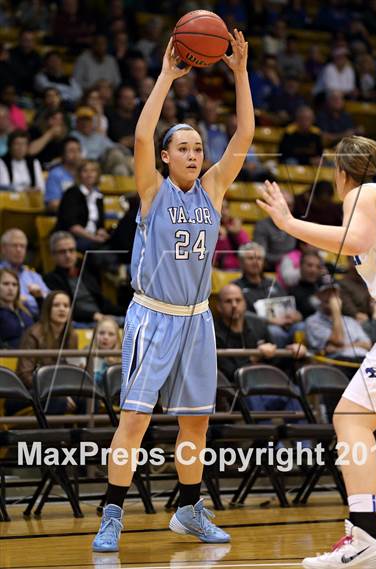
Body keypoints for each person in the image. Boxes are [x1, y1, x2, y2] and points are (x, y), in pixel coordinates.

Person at [92, 30, 254, 552]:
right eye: (182, 148)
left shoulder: (212, 190)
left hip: (197, 320)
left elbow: (244, 136)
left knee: (196, 427)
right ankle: (112, 512)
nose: (192, 154)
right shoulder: (152, 191)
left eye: (197, 148)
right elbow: (140, 137)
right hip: (153, 317)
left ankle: (188, 510)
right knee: (135, 421)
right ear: (165, 158)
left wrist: (240, 74)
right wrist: (166, 75)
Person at [257, 135, 376, 568]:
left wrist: (289, 224)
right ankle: (363, 536)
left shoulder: (364, 193)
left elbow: (354, 241)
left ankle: (365, 539)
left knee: (351, 417)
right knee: (358, 418)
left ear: (342, 172)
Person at [15, 290, 81, 415]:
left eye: (66, 306)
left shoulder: (72, 336)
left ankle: (81, 434)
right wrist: (55, 391)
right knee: (57, 400)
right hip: (28, 392)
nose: (62, 309)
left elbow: (73, 369)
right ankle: (53, 435)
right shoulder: (34, 333)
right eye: (56, 305)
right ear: (47, 309)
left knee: (87, 398)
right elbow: (25, 374)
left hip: (59, 391)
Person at [44, 231, 125, 324]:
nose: (68, 255)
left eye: (71, 250)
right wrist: (93, 315)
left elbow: (102, 302)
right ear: (53, 256)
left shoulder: (86, 273)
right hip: (78, 323)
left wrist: (125, 311)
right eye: (62, 252)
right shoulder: (50, 279)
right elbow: (66, 310)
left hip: (101, 319)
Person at [305, 278, 372, 360]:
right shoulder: (313, 322)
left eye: (334, 292)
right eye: (326, 292)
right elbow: (339, 340)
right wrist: (336, 311)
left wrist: (341, 348)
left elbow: (367, 344)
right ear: (318, 296)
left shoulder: (349, 320)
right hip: (339, 364)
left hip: (363, 360)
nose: (331, 296)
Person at [53, 159, 109, 251]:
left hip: (91, 237)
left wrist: (102, 233)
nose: (89, 174)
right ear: (79, 174)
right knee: (99, 248)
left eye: (93, 171)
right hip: (71, 238)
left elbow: (100, 225)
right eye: (85, 171)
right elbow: (72, 226)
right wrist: (93, 238)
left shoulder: (98, 196)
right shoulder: (71, 193)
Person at [0, 228, 49, 318]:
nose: (19, 250)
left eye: (22, 246)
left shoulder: (34, 276)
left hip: (37, 320)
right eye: (14, 246)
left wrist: (40, 296)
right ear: (3, 248)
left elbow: (50, 301)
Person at [44, 137, 82, 213]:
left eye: (78, 150)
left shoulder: (84, 173)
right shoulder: (55, 174)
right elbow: (53, 204)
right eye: (71, 151)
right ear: (63, 154)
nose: (76, 154)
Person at [0, 268, 33, 348]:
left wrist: (39, 299)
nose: (11, 288)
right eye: (6, 284)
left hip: (32, 356)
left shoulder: (25, 309)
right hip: (7, 358)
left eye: (14, 284)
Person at [213, 199, 250, 270]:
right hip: (221, 270)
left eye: (226, 208)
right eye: (220, 208)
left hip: (239, 268)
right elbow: (215, 259)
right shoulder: (208, 229)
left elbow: (247, 249)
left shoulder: (235, 227)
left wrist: (237, 233)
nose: (224, 212)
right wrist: (222, 238)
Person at [92, 316, 121, 388]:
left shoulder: (124, 360)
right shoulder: (86, 356)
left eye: (111, 334)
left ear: (117, 338)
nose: (105, 337)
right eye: (101, 333)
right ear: (95, 335)